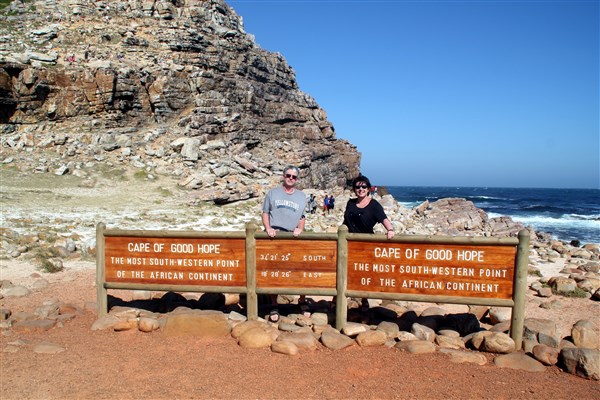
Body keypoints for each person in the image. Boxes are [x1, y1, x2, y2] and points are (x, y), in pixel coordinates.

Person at [261, 165, 307, 320]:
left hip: (292, 236)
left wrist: (300, 229)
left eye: (294, 177)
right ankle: (274, 305)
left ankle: (302, 300)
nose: (291, 178)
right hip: (274, 236)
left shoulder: (301, 196)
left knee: (298, 268)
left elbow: (302, 217)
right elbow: (265, 212)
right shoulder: (272, 193)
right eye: (288, 175)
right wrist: (268, 228)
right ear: (283, 176)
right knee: (274, 270)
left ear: (297, 179)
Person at [342, 175, 394, 311]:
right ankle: (338, 300)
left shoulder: (374, 205)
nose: (361, 189)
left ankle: (364, 300)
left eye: (364, 186)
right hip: (349, 244)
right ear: (354, 189)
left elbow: (383, 219)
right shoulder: (350, 203)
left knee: (364, 273)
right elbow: (345, 222)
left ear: (368, 188)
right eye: (357, 187)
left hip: (366, 246)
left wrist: (390, 230)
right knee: (344, 272)